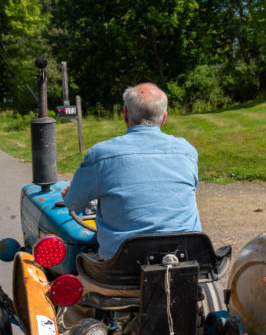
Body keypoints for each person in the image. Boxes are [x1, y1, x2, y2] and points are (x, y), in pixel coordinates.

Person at [63, 82, 201, 259]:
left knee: (73, 278)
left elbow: (72, 203)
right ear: (164, 117)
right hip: (186, 259)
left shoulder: (101, 155)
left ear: (125, 114)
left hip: (122, 269)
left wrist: (68, 195)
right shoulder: (187, 151)